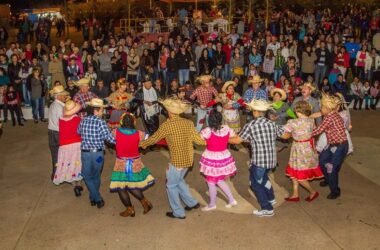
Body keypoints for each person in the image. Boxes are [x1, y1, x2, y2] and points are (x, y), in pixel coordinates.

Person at [140, 98, 206, 219]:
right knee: (179, 181)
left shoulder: (167, 125)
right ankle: (192, 203)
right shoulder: (188, 123)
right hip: (188, 160)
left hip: (177, 161)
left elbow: (154, 139)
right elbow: (199, 141)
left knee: (171, 185)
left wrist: (141, 144)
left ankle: (178, 212)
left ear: (169, 112)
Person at [229, 99, 285, 217]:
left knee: (255, 184)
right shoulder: (272, 124)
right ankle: (271, 198)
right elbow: (285, 135)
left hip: (259, 161)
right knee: (264, 178)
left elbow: (237, 140)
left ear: (255, 112)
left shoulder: (251, 125)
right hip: (271, 160)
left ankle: (267, 208)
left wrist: (222, 138)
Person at [110, 113, 155, 217]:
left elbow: (110, 139)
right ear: (134, 122)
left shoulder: (115, 132)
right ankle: (145, 203)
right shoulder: (139, 133)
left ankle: (130, 209)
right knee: (132, 185)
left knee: (121, 187)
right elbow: (150, 139)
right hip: (135, 163)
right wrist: (142, 146)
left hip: (121, 164)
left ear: (121, 122)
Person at [281, 101, 323, 202]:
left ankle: (313, 192)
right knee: (294, 171)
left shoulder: (293, 122)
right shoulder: (311, 120)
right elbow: (313, 130)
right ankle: (295, 194)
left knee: (300, 175)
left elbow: (282, 132)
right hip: (308, 147)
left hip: (299, 148)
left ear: (297, 110)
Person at [77, 98, 116, 208]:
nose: (102, 112)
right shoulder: (101, 122)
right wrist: (121, 141)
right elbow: (109, 138)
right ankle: (98, 198)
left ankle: (92, 196)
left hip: (85, 153)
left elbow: (78, 131)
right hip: (98, 154)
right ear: (96, 110)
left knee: (87, 176)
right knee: (96, 175)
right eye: (101, 110)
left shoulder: (83, 120)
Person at [199, 105, 237, 211]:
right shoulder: (227, 128)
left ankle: (212, 204)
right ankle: (232, 200)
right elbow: (233, 137)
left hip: (212, 158)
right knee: (219, 180)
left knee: (211, 182)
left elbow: (199, 140)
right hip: (224, 156)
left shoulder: (208, 131)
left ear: (209, 120)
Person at [312, 94, 348, 200]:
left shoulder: (330, 117)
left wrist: (303, 131)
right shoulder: (331, 114)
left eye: (322, 107)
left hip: (340, 146)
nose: (321, 108)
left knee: (331, 169)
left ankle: (335, 191)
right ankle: (328, 179)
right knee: (322, 160)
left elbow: (318, 130)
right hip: (332, 145)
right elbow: (318, 116)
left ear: (327, 108)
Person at [53, 100, 83, 197]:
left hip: (65, 146)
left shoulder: (60, 119)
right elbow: (80, 131)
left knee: (68, 164)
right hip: (76, 144)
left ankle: (74, 185)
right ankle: (79, 184)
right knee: (78, 163)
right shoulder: (77, 119)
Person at [48, 85, 69, 180]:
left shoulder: (53, 105)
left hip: (51, 132)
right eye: (64, 95)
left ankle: (55, 175)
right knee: (63, 155)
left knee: (55, 155)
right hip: (58, 133)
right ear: (59, 96)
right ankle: (61, 175)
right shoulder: (60, 107)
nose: (65, 97)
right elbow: (62, 122)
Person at [219, 81, 245, 151]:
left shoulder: (236, 95)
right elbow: (224, 104)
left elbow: (242, 101)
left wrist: (232, 106)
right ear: (227, 90)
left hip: (234, 115)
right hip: (226, 115)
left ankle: (233, 144)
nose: (232, 90)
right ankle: (226, 144)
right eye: (230, 88)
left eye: (232, 88)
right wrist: (226, 104)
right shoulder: (223, 95)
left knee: (233, 131)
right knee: (226, 130)